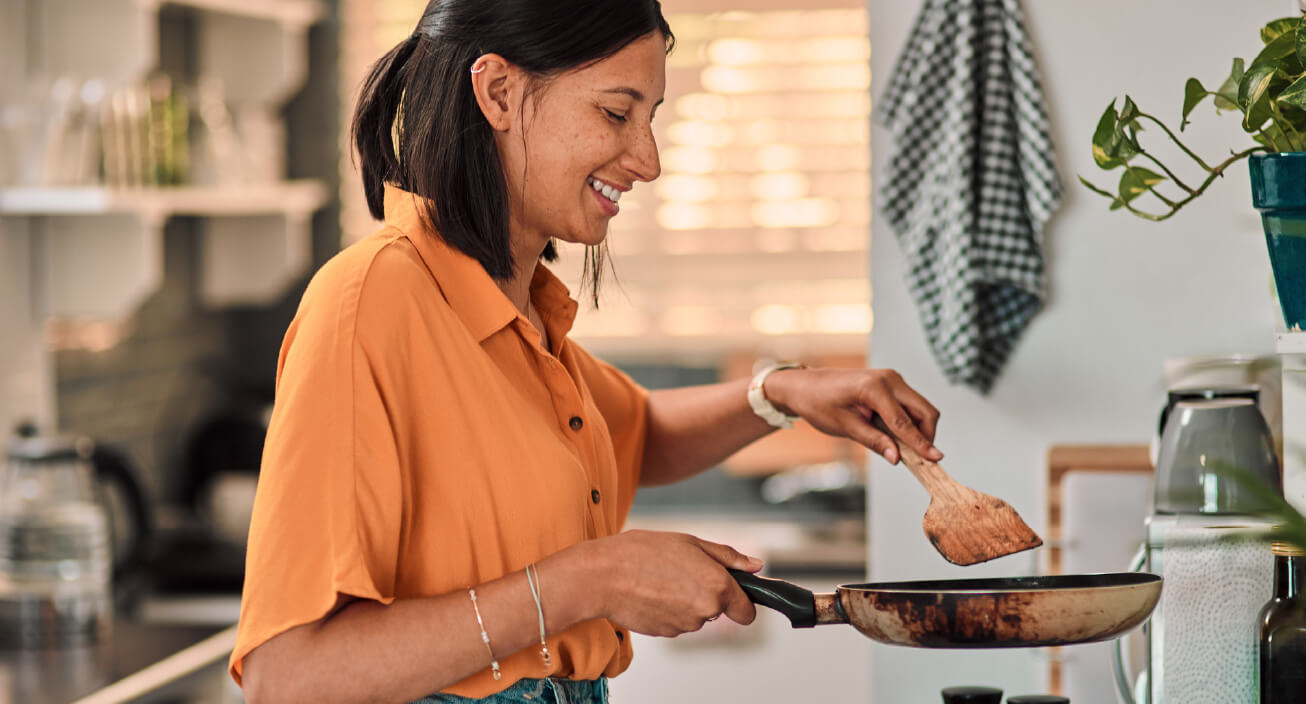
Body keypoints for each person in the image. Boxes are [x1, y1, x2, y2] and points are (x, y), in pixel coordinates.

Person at [229, 1, 943, 702]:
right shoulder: (372, 304)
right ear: (499, 93)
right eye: (615, 112)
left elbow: (637, 434)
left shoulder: (519, 307)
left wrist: (786, 394)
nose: (648, 160)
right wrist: (590, 581)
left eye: (651, 118)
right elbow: (287, 676)